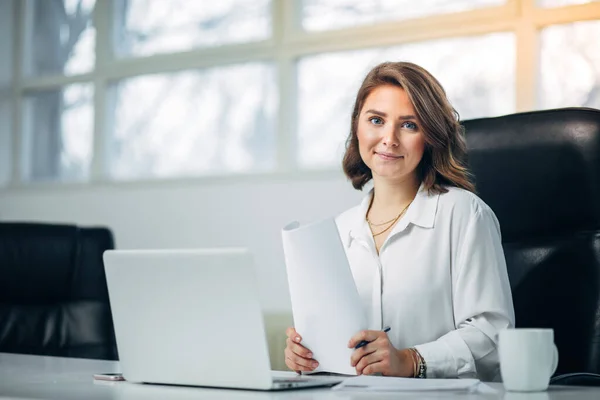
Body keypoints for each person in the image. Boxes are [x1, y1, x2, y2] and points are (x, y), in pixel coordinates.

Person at [284, 61, 515, 381]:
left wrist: (412, 360)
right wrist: (308, 356)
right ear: (357, 128)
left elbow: (493, 335)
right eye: (376, 120)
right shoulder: (337, 231)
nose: (389, 138)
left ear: (431, 136)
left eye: (409, 125)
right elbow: (336, 347)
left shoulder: (463, 213)